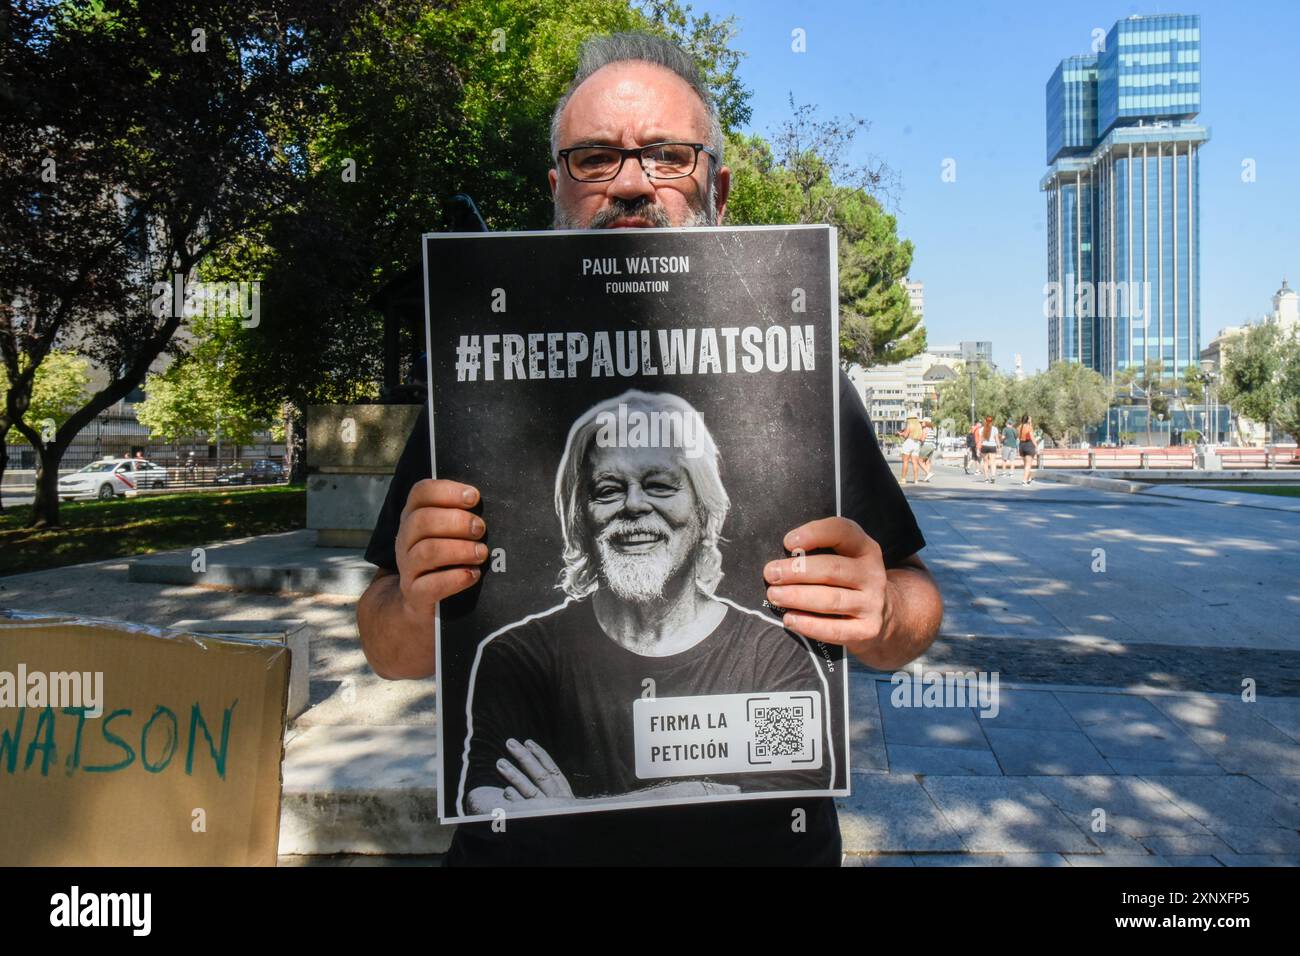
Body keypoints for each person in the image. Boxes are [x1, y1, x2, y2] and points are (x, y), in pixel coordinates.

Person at [356, 31, 944, 866]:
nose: (632, 183)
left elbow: (915, 604)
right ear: (556, 187)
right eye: (596, 158)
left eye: (669, 155)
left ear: (719, 188)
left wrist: (885, 611)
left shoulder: (798, 371)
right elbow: (388, 649)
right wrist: (416, 603)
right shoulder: (479, 378)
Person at [459, 391, 833, 816]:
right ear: (580, 518)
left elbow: (789, 807)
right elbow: (487, 804)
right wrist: (699, 795)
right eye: (608, 489)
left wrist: (569, 816)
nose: (634, 505)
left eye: (659, 485)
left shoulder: (776, 655)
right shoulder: (516, 657)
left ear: (705, 510)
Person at [897, 415, 921, 484]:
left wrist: (900, 434)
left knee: (905, 461)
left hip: (909, 442)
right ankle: (916, 480)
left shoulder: (909, 425)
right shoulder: (919, 426)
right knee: (915, 462)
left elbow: (905, 435)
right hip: (916, 443)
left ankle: (903, 479)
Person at [978, 415, 999, 483]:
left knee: (985, 462)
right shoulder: (995, 429)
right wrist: (999, 447)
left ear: (985, 421)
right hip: (992, 446)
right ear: (991, 421)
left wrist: (978, 448)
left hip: (984, 446)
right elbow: (997, 439)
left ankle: (986, 478)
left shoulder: (981, 429)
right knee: (993, 462)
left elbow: (980, 440)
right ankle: (993, 476)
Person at [1018, 415, 1038, 485]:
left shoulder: (1019, 427)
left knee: (1025, 464)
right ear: (1028, 420)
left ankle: (1029, 478)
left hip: (1021, 445)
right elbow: (1032, 437)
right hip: (1028, 445)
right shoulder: (1029, 427)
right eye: (1030, 419)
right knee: (1028, 465)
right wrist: (1036, 446)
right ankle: (1024, 481)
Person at [916, 418, 936, 483]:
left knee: (919, 461)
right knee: (928, 462)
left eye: (923, 422)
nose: (921, 423)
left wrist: (917, 438)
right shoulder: (932, 430)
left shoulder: (925, 429)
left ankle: (928, 473)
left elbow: (922, 439)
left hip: (926, 446)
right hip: (932, 446)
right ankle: (927, 478)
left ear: (926, 423)